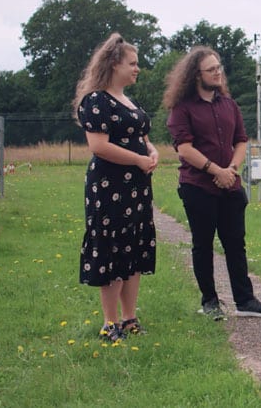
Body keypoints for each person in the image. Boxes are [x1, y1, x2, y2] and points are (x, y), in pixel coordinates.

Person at [163, 46, 261, 320]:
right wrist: (216, 170)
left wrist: (232, 169)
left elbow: (241, 140)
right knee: (203, 244)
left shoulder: (230, 105)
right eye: (211, 69)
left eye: (218, 68)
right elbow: (184, 148)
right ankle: (210, 302)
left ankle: (245, 301)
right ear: (196, 75)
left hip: (230, 186)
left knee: (236, 244)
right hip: (198, 186)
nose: (218, 73)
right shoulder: (182, 108)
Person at [74, 33, 158, 342]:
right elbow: (99, 146)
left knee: (133, 247)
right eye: (132, 63)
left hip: (136, 188)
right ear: (114, 64)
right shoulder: (96, 100)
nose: (137, 69)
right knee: (111, 248)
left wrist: (151, 152)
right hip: (110, 187)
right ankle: (110, 323)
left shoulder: (128, 100)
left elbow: (142, 134)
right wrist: (138, 159)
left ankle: (129, 319)